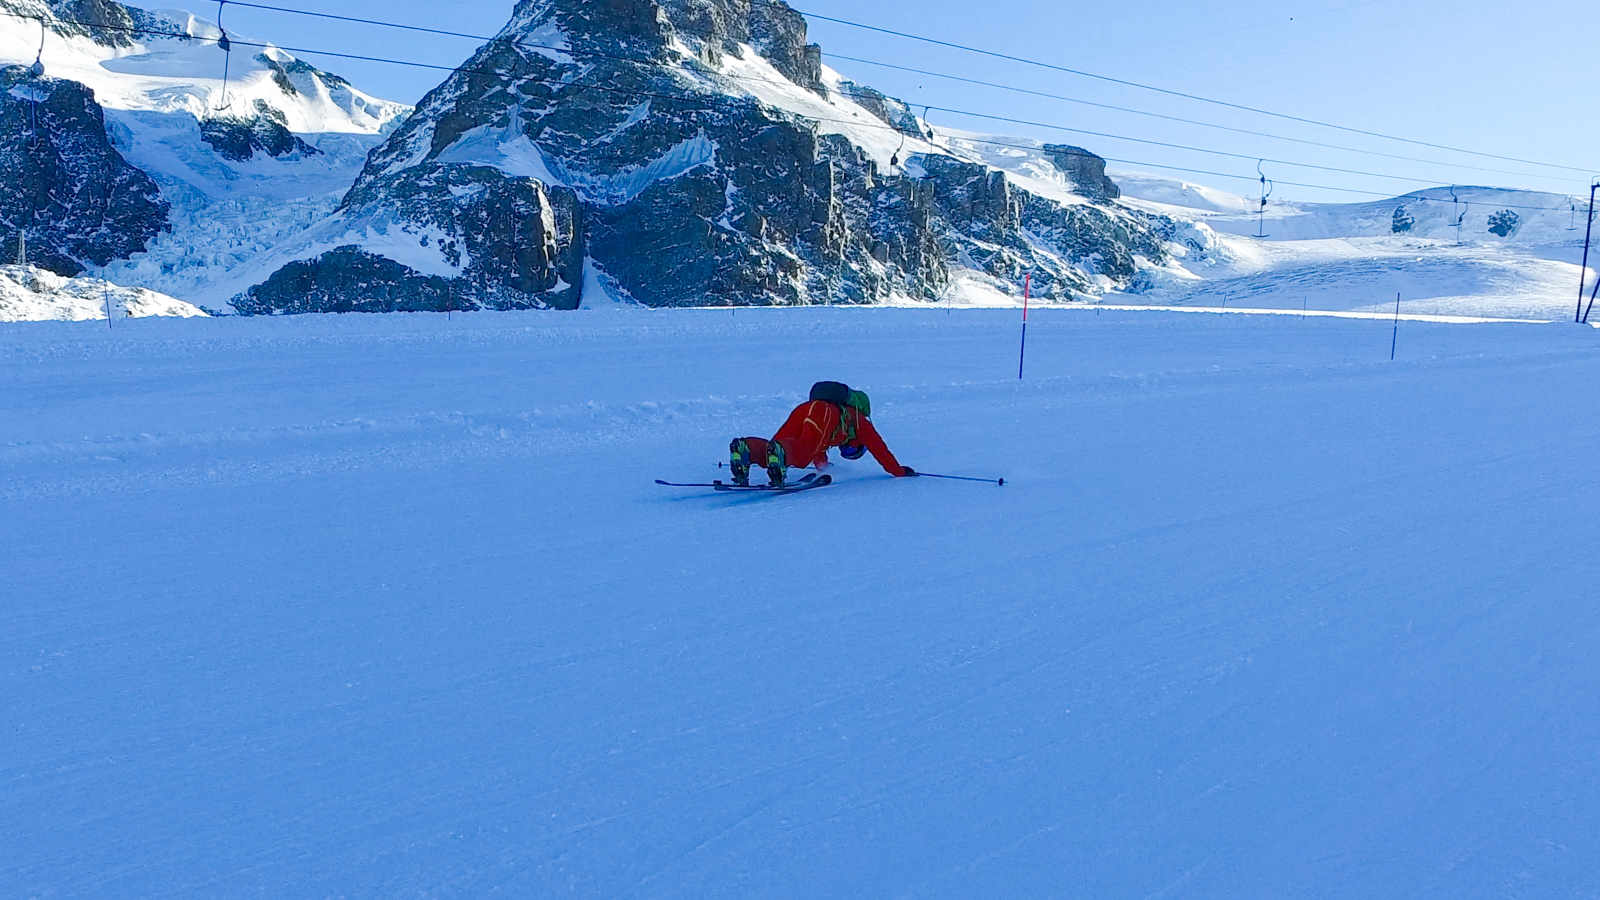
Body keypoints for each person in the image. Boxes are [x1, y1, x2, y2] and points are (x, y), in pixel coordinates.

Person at [729, 381, 915, 486]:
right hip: (823, 414)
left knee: (774, 448)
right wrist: (898, 471)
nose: (846, 449)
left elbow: (818, 450)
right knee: (802, 453)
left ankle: (746, 449)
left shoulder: (844, 420)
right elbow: (880, 448)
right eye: (851, 451)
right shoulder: (859, 421)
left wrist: (825, 469)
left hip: (805, 408)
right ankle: (780, 453)